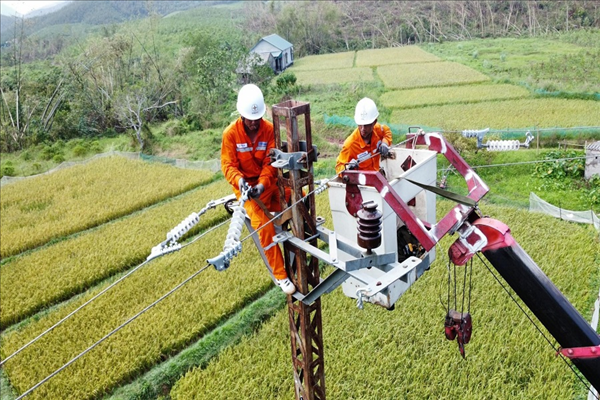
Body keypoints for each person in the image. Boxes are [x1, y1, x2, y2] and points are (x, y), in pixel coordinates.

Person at [221, 84, 296, 295]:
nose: (254, 123)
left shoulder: (269, 130)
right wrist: (240, 181)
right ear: (241, 115)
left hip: (266, 184)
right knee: (264, 226)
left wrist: (262, 184)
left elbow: (270, 163)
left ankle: (300, 237)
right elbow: (228, 165)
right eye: (250, 119)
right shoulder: (231, 135)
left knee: (294, 197)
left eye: (257, 119)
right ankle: (281, 275)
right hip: (245, 189)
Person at [335, 97, 392, 176]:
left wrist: (385, 143)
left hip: (377, 177)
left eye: (366, 125)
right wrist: (348, 167)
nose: (362, 129)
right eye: (360, 124)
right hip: (362, 184)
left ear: (374, 122)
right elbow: (339, 167)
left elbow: (387, 132)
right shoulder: (350, 144)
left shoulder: (378, 130)